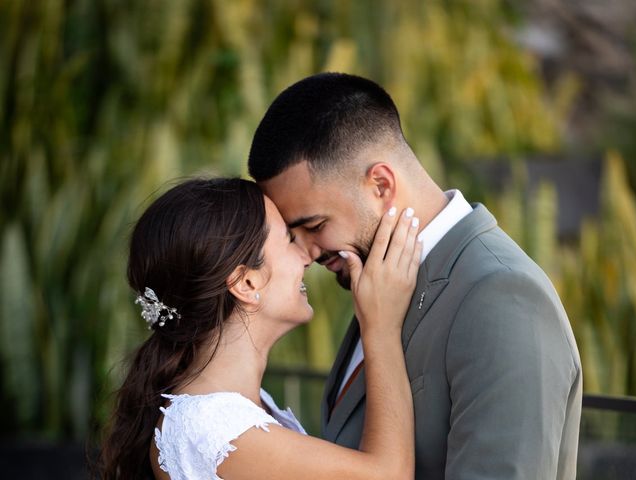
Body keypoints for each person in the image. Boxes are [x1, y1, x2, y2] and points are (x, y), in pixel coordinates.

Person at [248, 72, 583, 479]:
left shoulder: (502, 296)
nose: (306, 252)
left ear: (381, 185)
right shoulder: (382, 284)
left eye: (315, 225)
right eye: (293, 234)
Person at [98, 177, 422, 479]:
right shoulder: (215, 429)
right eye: (289, 240)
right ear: (245, 281)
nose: (307, 256)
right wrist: (380, 327)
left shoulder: (231, 410)